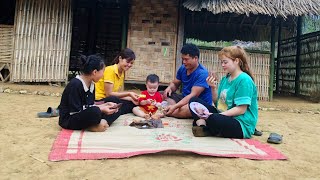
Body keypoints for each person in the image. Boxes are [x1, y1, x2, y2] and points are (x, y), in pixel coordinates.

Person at [189, 46, 258, 138]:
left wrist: (217, 115)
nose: (222, 65)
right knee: (193, 101)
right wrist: (212, 87)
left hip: (240, 123)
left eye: (225, 62)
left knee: (214, 118)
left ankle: (204, 125)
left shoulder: (244, 80)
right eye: (221, 62)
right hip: (224, 115)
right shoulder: (225, 79)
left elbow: (241, 109)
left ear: (236, 61)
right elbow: (217, 103)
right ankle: (204, 126)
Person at [58, 55, 122, 132]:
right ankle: (95, 125)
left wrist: (104, 105)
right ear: (95, 72)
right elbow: (75, 111)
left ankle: (103, 122)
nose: (103, 75)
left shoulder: (92, 84)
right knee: (95, 112)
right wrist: (100, 108)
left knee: (115, 102)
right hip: (69, 119)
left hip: (84, 114)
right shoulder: (75, 84)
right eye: (103, 71)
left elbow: (89, 105)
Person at [163, 43, 212, 118]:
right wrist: (169, 88)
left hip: (196, 103)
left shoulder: (202, 73)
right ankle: (172, 109)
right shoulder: (183, 68)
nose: (184, 62)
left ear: (195, 58)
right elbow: (175, 83)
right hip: (184, 98)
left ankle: (169, 110)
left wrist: (175, 106)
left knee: (190, 108)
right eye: (183, 59)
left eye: (186, 59)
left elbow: (193, 95)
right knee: (162, 94)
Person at [95, 48, 139, 114]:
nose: (129, 65)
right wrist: (129, 93)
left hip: (112, 99)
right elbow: (109, 94)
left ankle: (117, 111)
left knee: (133, 103)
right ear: (120, 58)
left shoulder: (122, 73)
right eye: (127, 62)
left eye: (131, 63)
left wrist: (132, 99)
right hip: (101, 100)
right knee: (114, 100)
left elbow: (118, 93)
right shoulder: (110, 70)